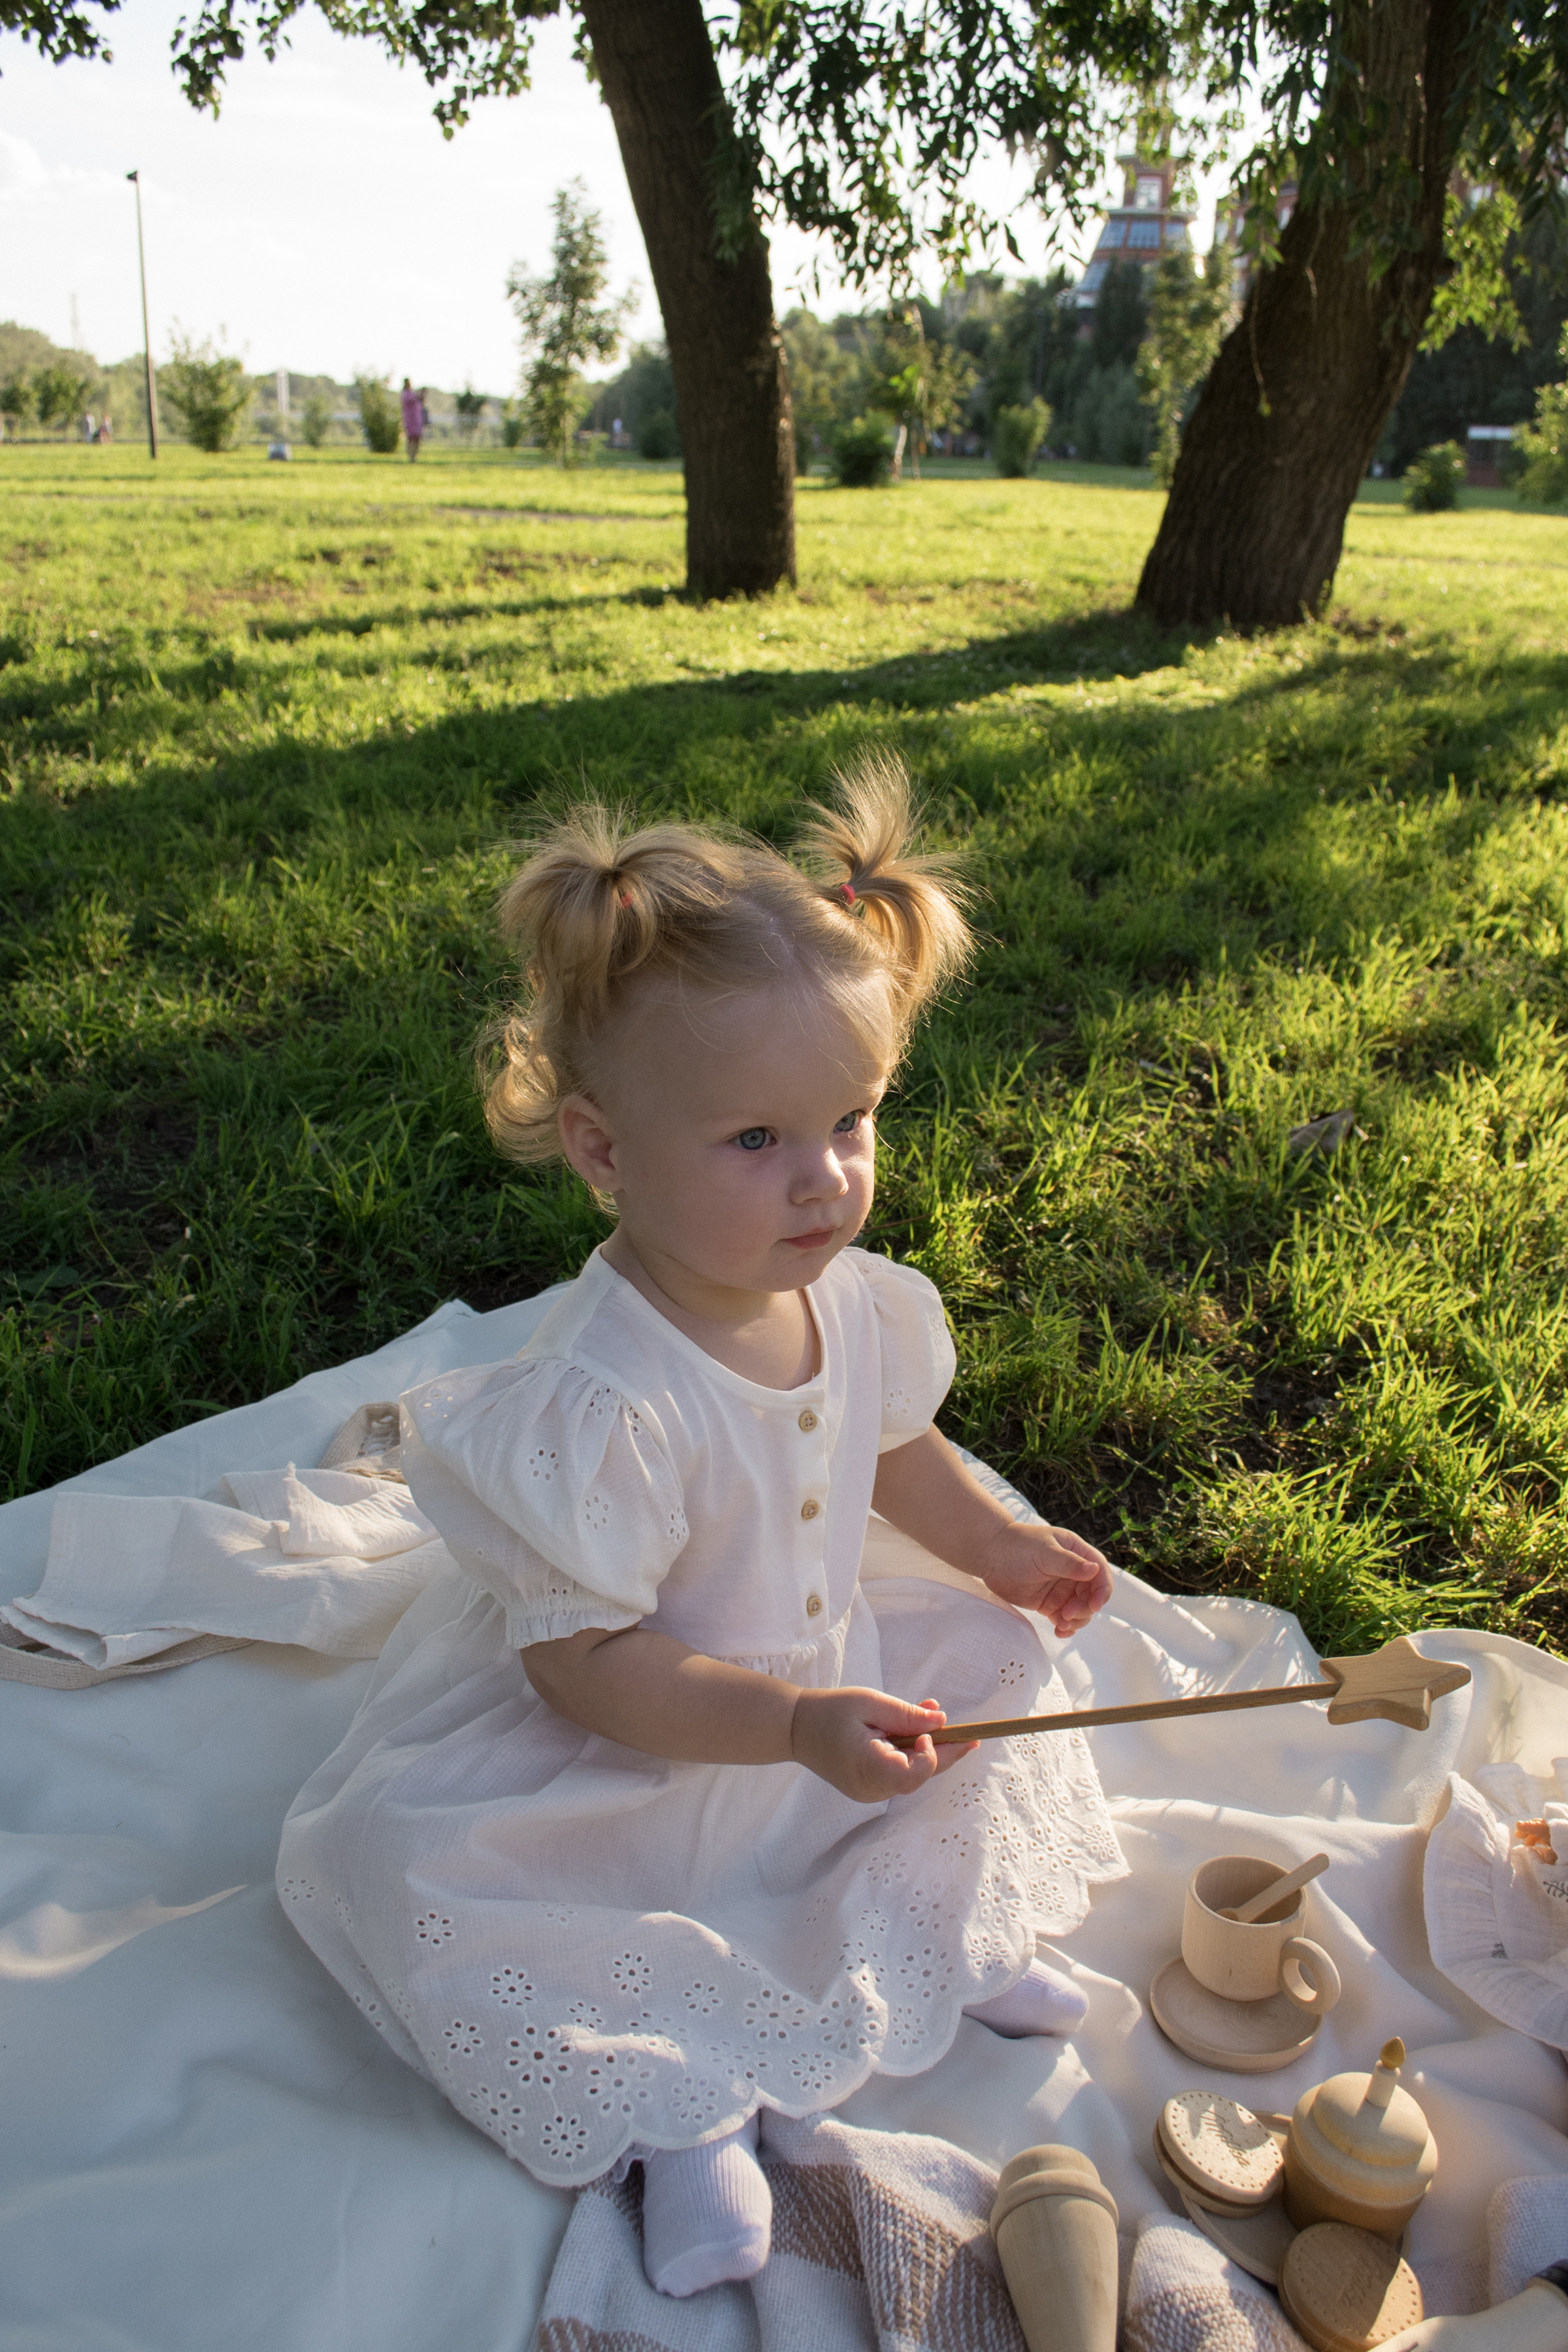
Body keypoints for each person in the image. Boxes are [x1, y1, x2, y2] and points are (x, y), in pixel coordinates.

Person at [278, 755, 1124, 2298]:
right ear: (603, 1150)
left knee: (995, 1667)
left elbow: (891, 1444)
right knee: (432, 1879)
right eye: (754, 1142)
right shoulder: (606, 1396)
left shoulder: (847, 1297)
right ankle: (675, 2105)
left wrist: (996, 1549)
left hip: (821, 1694)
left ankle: (936, 1939)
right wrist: (788, 1725)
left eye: (851, 1120)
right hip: (635, 1740)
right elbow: (586, 1664)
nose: (824, 1181)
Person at [400, 377, 425, 460]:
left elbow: (420, 400)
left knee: (417, 437)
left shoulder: (412, 393)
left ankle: (415, 455)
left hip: (416, 418)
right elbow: (415, 399)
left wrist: (422, 394)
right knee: (411, 437)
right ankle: (411, 455)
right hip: (410, 419)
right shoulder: (406, 394)